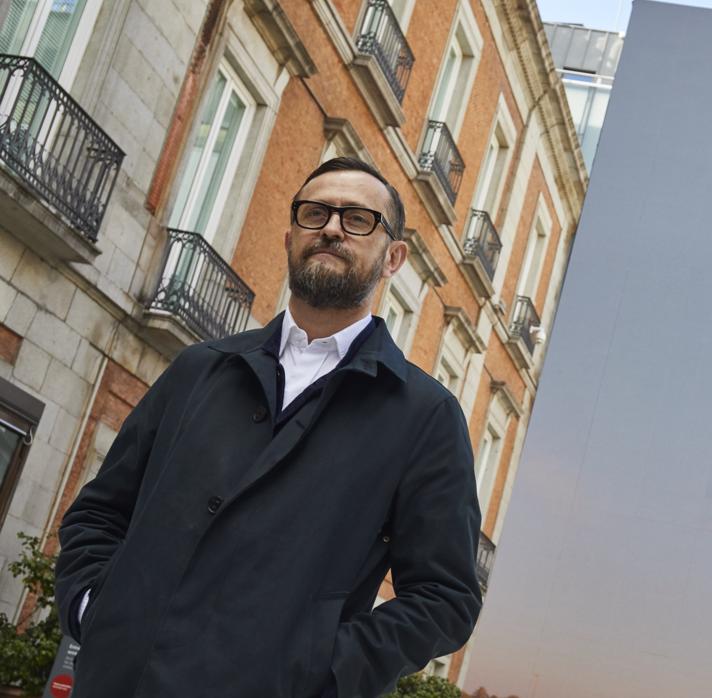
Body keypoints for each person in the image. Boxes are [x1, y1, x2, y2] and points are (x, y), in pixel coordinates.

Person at [53, 157, 483, 698]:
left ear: (393, 257)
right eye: (315, 212)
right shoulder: (200, 368)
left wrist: (319, 672)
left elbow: (446, 598)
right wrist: (92, 606)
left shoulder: (425, 416)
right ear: (289, 237)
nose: (330, 227)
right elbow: (100, 509)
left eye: (357, 219)